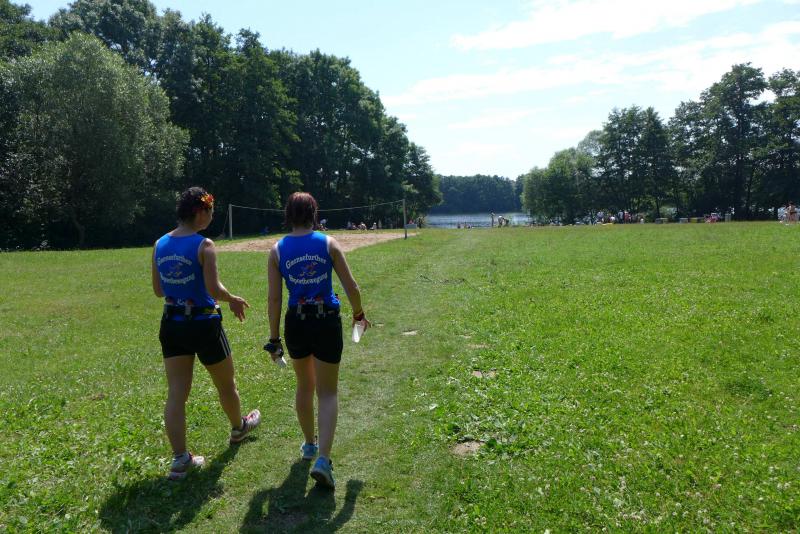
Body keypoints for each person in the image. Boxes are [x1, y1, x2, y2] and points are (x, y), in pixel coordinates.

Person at [152, 187, 261, 481]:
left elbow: (159, 290)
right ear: (200, 212)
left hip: (172, 322)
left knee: (177, 393)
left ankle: (180, 460)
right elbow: (214, 289)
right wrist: (233, 298)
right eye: (211, 211)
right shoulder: (205, 245)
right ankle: (239, 428)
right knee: (226, 384)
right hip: (203, 322)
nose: (212, 216)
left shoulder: (159, 244)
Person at [266, 192, 369, 489]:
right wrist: (359, 314)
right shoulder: (328, 243)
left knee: (304, 385)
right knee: (327, 392)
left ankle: (309, 445)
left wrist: (274, 338)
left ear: (288, 215)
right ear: (314, 213)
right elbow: (351, 286)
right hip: (325, 321)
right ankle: (323, 459)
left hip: (296, 322)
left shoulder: (277, 250)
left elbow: (274, 299)